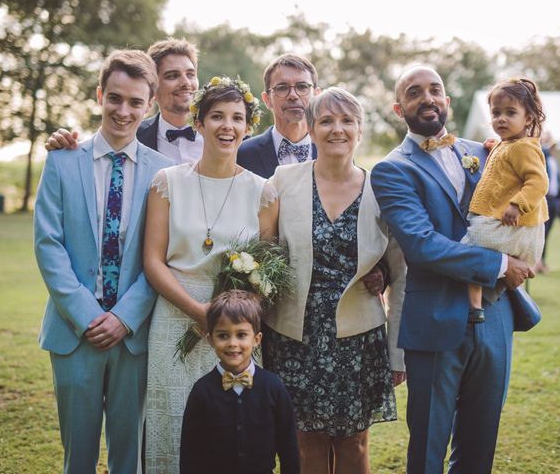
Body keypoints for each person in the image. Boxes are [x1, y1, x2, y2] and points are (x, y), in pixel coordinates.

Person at [371, 66, 534, 474]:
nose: (427, 98)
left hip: (496, 316)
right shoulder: (392, 170)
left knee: (481, 440)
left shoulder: (487, 151)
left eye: (435, 90)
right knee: (428, 445)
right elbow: (422, 245)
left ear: (446, 100)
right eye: (414, 92)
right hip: (435, 320)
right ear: (398, 107)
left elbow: (530, 184)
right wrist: (500, 265)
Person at [33, 49, 172, 473]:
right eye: (115, 98)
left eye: (135, 102)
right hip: (75, 333)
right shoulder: (62, 160)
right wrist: (87, 314)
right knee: (78, 455)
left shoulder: (163, 174)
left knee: (129, 456)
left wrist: (126, 316)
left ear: (149, 106)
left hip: (133, 336)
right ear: (99, 95)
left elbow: (163, 253)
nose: (123, 110)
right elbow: (48, 244)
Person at [263, 87, 407, 474]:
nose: (336, 129)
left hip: (359, 339)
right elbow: (265, 258)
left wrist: (397, 351)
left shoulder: (382, 189)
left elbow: (400, 273)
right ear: (310, 129)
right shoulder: (282, 181)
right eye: (326, 120)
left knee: (354, 445)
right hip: (294, 336)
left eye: (346, 120)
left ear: (360, 130)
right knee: (306, 444)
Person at [142, 75, 279, 472]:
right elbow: (153, 261)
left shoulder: (264, 191)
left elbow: (268, 270)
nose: (227, 126)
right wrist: (199, 311)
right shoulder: (167, 183)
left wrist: (230, 319)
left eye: (237, 118)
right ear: (198, 123)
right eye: (216, 116)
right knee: (175, 428)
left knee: (234, 432)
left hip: (237, 328)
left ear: (247, 127)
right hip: (175, 318)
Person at [180, 290, 300, 474]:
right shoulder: (201, 392)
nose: (232, 343)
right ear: (211, 340)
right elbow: (190, 453)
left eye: (241, 335)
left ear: (257, 339)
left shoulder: (273, 387)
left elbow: (289, 446)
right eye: (223, 335)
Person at [462, 77, 549, 314]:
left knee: (470, 245)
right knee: (478, 253)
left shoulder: (523, 147)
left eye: (510, 113)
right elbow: (507, 167)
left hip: (518, 224)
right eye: (496, 113)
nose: (501, 118)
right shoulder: (508, 144)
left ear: (528, 118)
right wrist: (494, 148)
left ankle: (474, 306)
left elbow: (538, 181)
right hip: (511, 224)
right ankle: (483, 300)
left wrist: (518, 204)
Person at [45, 37, 203, 164]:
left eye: (190, 74)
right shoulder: (132, 132)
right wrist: (62, 144)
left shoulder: (221, 133)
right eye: (172, 76)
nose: (186, 83)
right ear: (152, 86)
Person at [237, 53, 321, 178]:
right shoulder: (243, 154)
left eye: (302, 86)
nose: (293, 95)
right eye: (282, 88)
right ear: (267, 99)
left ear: (317, 95)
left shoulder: (333, 151)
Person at [537, 131, 560, 273]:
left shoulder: (553, 159)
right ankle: (538, 263)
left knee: (547, 233)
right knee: (542, 232)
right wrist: (545, 142)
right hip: (544, 198)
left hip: (554, 199)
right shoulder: (543, 154)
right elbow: (542, 149)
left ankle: (542, 262)